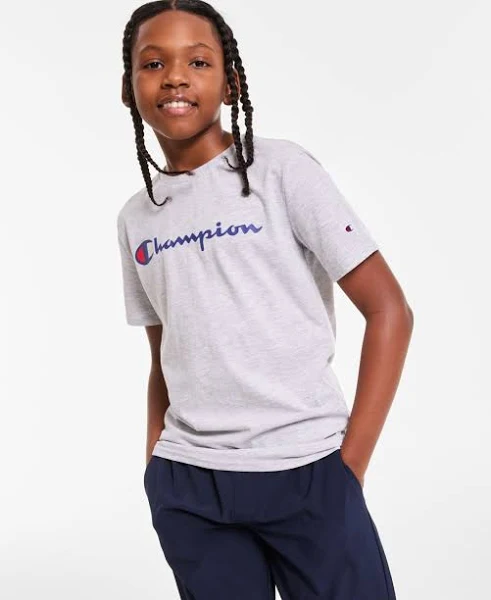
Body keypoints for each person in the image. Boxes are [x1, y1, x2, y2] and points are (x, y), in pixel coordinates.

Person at [116, 1, 414, 598]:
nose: (175, 77)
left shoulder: (280, 171)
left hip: (308, 472)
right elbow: (164, 354)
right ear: (129, 89)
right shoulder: (137, 217)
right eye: (153, 63)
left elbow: (390, 311)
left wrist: (348, 468)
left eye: (198, 62)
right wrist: (156, 466)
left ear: (230, 83)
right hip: (190, 487)